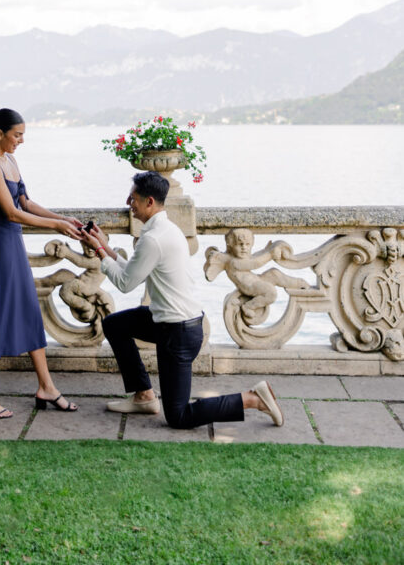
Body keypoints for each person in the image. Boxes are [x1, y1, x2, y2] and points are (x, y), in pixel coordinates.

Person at [81, 171, 284, 429]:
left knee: (178, 417)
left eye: (133, 199)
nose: (128, 204)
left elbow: (124, 283)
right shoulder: (164, 229)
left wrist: (99, 252)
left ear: (150, 202)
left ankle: (253, 398)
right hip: (168, 321)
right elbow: (134, 273)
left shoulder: (153, 238)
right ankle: (144, 396)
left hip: (178, 333)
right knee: (114, 324)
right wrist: (102, 244)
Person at [0, 107, 83, 419]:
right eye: (17, 135)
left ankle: (46, 387)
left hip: (12, 243)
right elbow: (11, 213)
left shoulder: (9, 159)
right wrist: (55, 227)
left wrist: (61, 217)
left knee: (29, 310)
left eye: (23, 135)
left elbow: (26, 203)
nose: (21, 141)